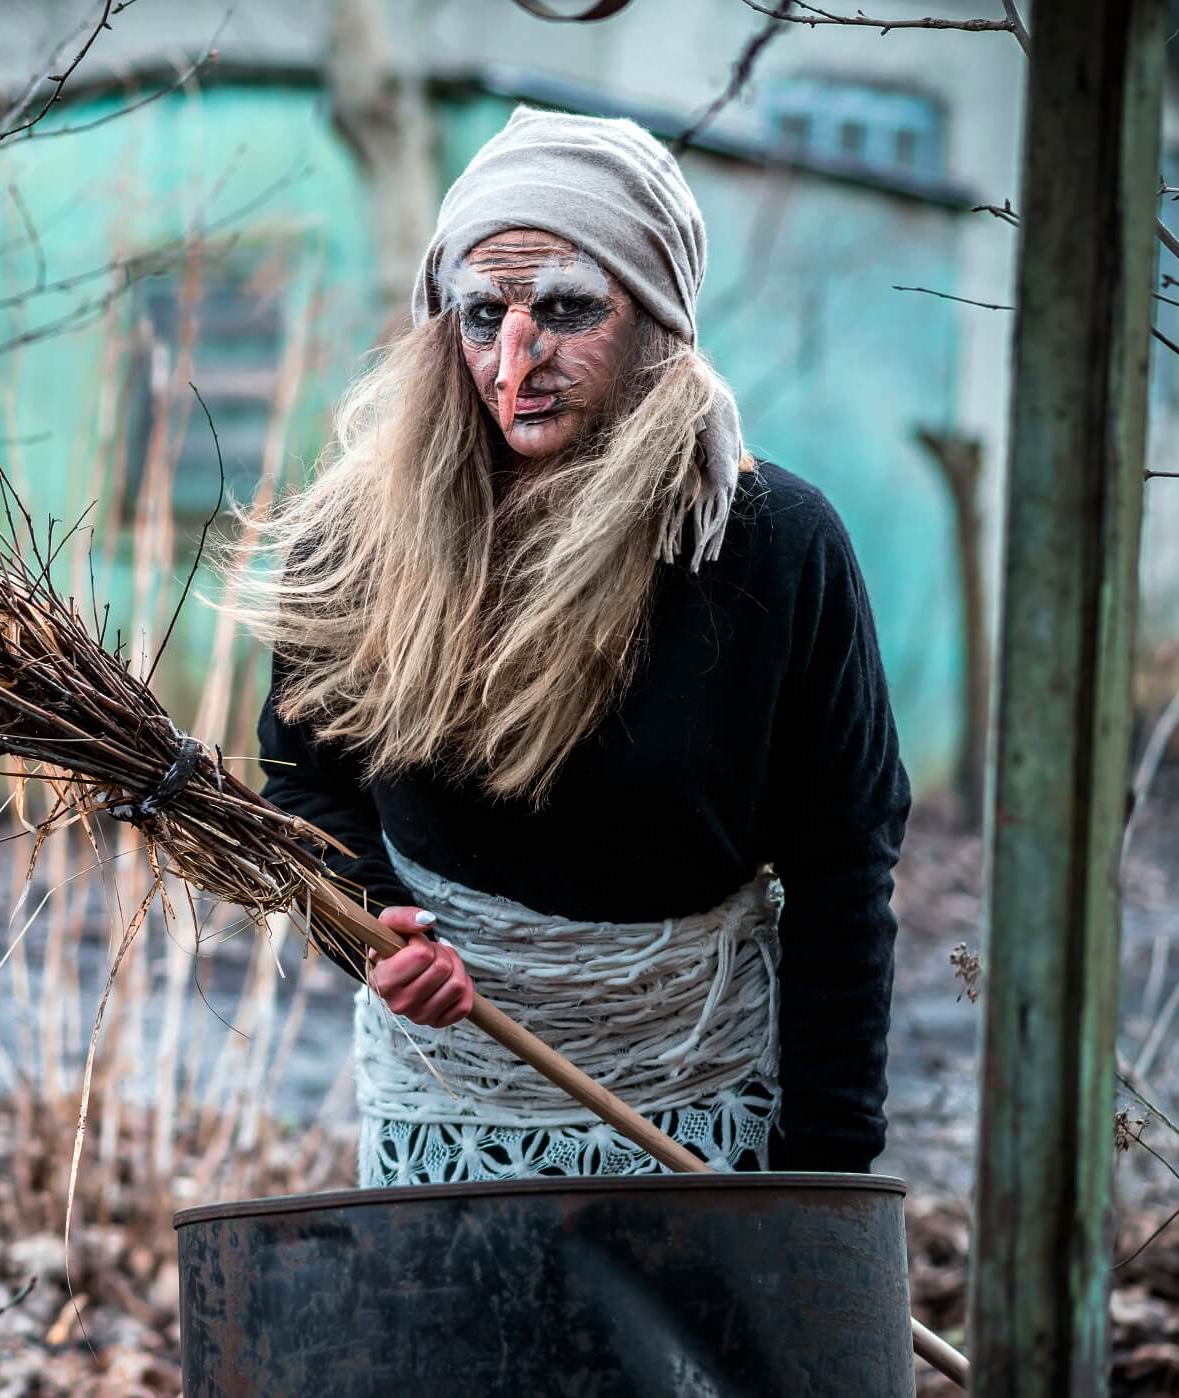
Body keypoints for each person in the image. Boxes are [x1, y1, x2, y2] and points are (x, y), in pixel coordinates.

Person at [236, 106, 910, 1186]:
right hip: (445, 1119)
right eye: (479, 313)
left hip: (701, 1117)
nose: (515, 359)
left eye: (565, 307)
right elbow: (302, 776)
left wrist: (824, 1177)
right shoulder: (358, 535)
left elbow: (843, 866)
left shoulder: (771, 548)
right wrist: (370, 923)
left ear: (655, 321)